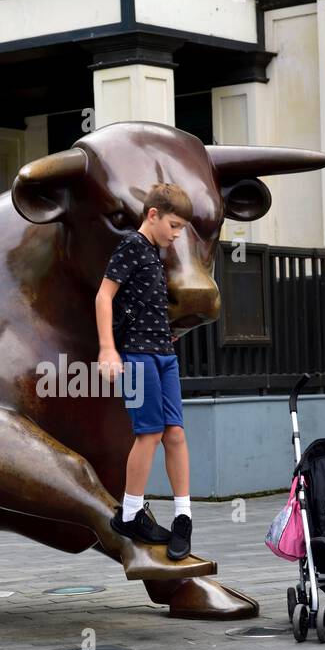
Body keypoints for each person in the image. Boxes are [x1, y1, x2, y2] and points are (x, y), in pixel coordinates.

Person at [95, 183, 194, 562]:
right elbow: (104, 296)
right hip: (136, 359)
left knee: (176, 434)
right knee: (149, 433)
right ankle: (131, 513)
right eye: (173, 225)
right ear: (152, 215)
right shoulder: (132, 247)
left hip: (164, 356)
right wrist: (108, 349)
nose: (176, 234)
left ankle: (183, 516)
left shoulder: (154, 252)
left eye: (181, 228)